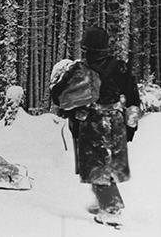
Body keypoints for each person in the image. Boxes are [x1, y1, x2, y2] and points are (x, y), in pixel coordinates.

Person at [50, 26, 141, 228]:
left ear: (87, 47)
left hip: (91, 122)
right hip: (116, 121)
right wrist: (131, 126)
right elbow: (134, 98)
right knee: (107, 166)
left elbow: (57, 96)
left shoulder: (79, 68)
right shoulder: (120, 67)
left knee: (98, 167)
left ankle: (111, 210)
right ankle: (104, 200)